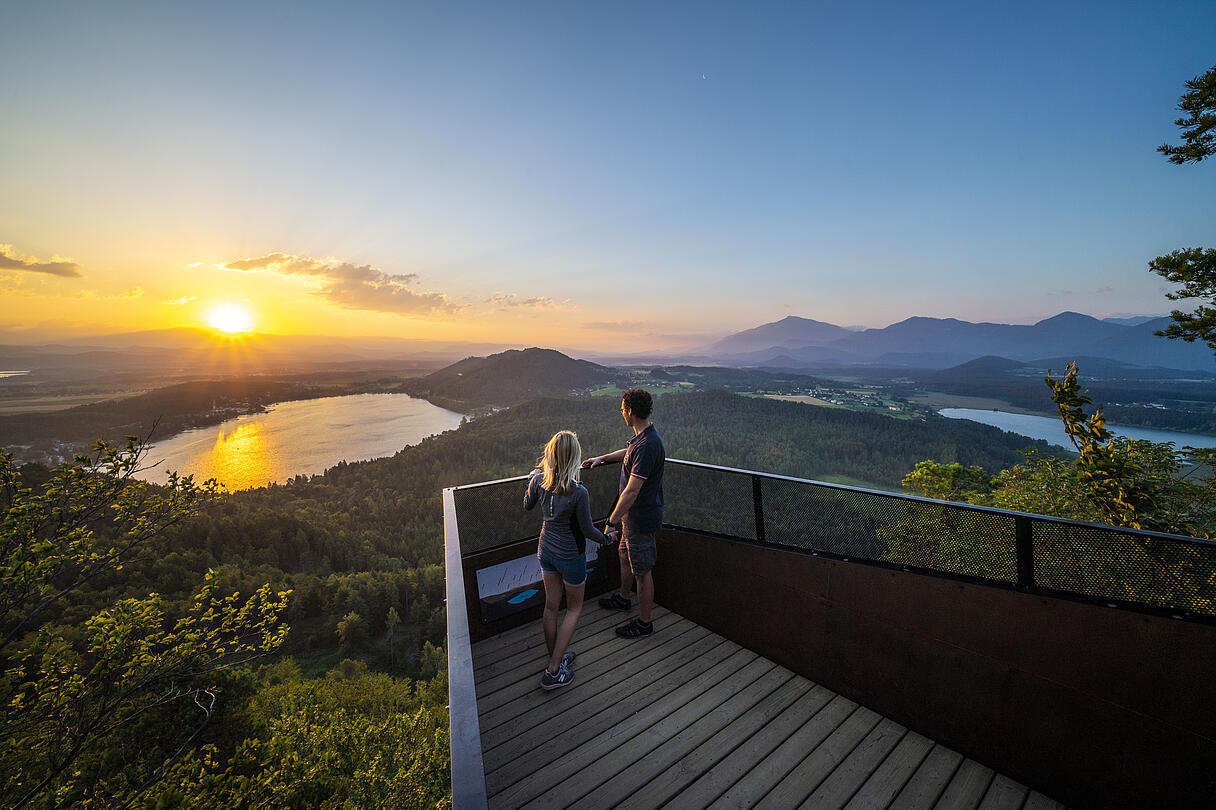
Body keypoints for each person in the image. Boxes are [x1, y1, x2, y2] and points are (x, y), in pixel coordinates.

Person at [524, 430, 609, 689]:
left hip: (546, 551)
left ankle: (556, 660)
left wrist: (530, 480)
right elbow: (587, 530)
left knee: (551, 607)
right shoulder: (578, 492)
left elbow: (527, 505)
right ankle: (553, 672)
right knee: (573, 609)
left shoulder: (539, 480)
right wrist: (608, 538)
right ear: (574, 458)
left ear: (550, 455)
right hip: (571, 556)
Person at [583, 389, 665, 638]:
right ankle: (623, 598)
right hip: (631, 518)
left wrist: (611, 521)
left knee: (642, 570)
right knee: (625, 557)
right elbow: (628, 454)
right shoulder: (642, 438)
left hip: (640, 518)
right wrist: (603, 458)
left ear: (630, 411)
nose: (621, 413)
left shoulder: (648, 444)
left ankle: (644, 623)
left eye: (622, 409)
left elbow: (631, 491)